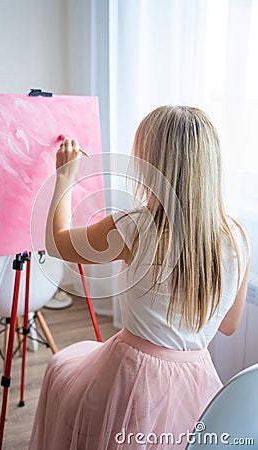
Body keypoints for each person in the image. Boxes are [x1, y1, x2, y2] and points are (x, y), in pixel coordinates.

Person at [29, 106, 250, 450]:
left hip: (134, 379)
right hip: (197, 384)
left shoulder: (136, 225)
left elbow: (56, 243)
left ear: (154, 164)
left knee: (60, 367)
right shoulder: (237, 238)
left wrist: (65, 178)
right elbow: (229, 325)